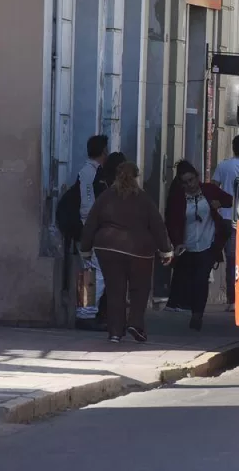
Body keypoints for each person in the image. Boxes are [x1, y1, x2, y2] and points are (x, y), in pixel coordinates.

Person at [81, 161, 174, 343]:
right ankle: (135, 323)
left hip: (107, 247)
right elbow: (158, 226)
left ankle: (115, 332)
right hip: (138, 250)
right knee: (139, 288)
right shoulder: (144, 199)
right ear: (136, 177)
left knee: (115, 289)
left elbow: (91, 223)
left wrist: (85, 249)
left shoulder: (106, 197)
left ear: (116, 176)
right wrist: (166, 251)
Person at [165, 160, 233, 331]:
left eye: (192, 180)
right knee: (190, 280)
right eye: (186, 182)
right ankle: (185, 306)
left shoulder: (209, 190)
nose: (191, 185)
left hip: (207, 244)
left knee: (202, 279)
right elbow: (172, 221)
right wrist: (177, 243)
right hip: (187, 246)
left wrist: (219, 203)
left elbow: (230, 200)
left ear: (197, 177)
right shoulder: (178, 198)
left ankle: (197, 315)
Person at [76, 135, 109, 329]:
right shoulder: (89, 173)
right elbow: (87, 204)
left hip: (89, 227)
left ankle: (85, 311)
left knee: (90, 272)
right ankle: (86, 313)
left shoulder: (91, 171)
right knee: (95, 272)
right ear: (102, 151)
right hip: (90, 228)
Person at [211, 136, 239, 312]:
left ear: (233, 148)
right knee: (235, 259)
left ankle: (230, 298)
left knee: (219, 256)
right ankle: (235, 299)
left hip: (223, 217)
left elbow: (213, 186)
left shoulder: (224, 165)